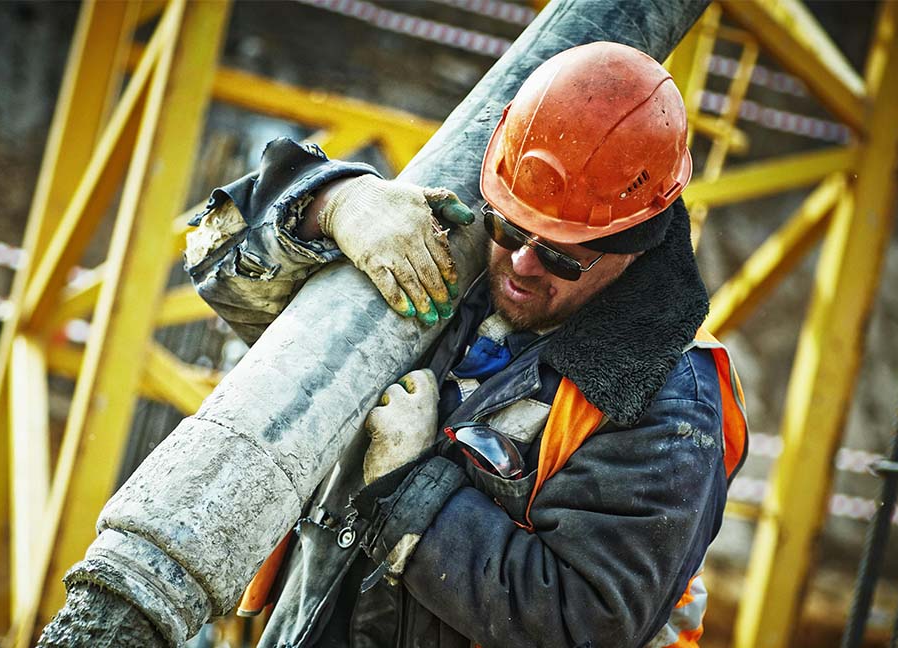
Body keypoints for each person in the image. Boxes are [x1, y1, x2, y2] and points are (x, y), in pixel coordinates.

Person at [187, 42, 748, 648]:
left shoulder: (669, 404)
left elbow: (584, 622)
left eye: (561, 257)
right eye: (510, 227)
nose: (523, 264)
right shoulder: (457, 246)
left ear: (633, 247)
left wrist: (407, 488)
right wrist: (330, 205)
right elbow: (219, 264)